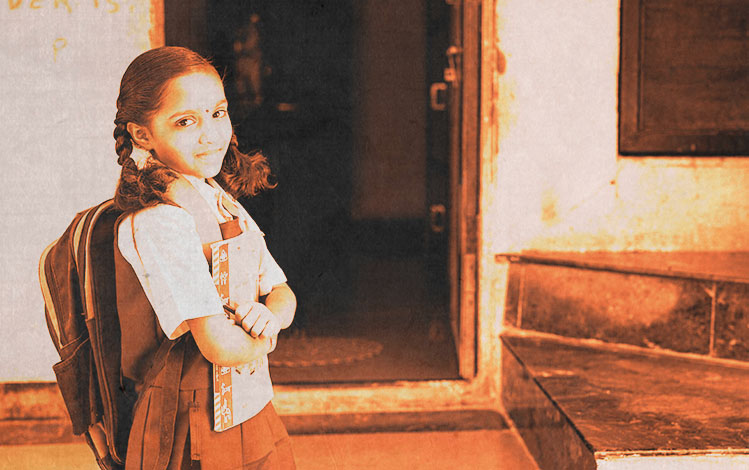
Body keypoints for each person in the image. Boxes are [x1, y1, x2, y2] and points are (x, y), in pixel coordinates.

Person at [111, 46, 296, 469]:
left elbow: (280, 290)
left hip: (247, 398)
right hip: (191, 414)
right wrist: (266, 336)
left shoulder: (218, 198)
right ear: (142, 134)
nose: (211, 135)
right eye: (185, 122)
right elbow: (218, 345)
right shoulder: (160, 222)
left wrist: (271, 316)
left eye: (217, 113)